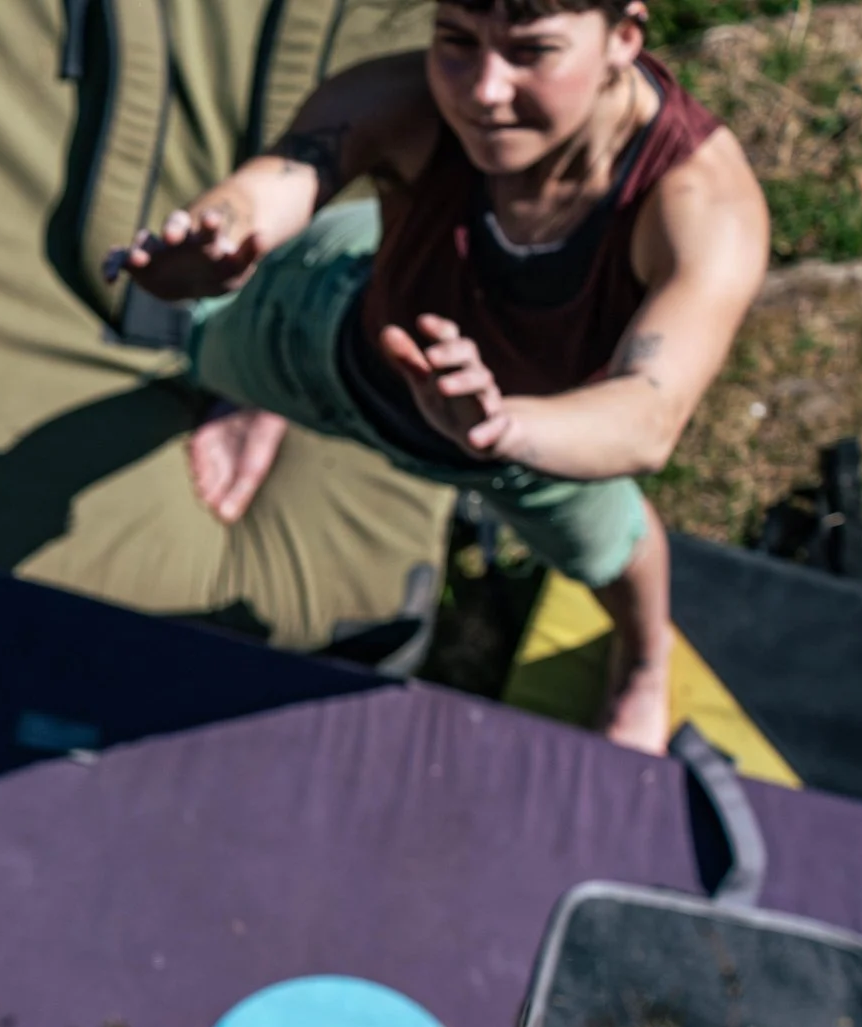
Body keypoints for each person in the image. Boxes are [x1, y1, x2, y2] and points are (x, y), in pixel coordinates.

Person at [109, 0, 769, 752]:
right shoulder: (406, 100)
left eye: (531, 52)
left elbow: (649, 414)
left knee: (612, 553)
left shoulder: (698, 200)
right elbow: (283, 179)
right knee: (208, 345)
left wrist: (505, 425)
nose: (484, 90)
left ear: (623, 36)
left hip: (540, 437)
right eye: (457, 40)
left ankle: (646, 660)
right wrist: (224, 232)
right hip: (340, 340)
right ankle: (260, 403)